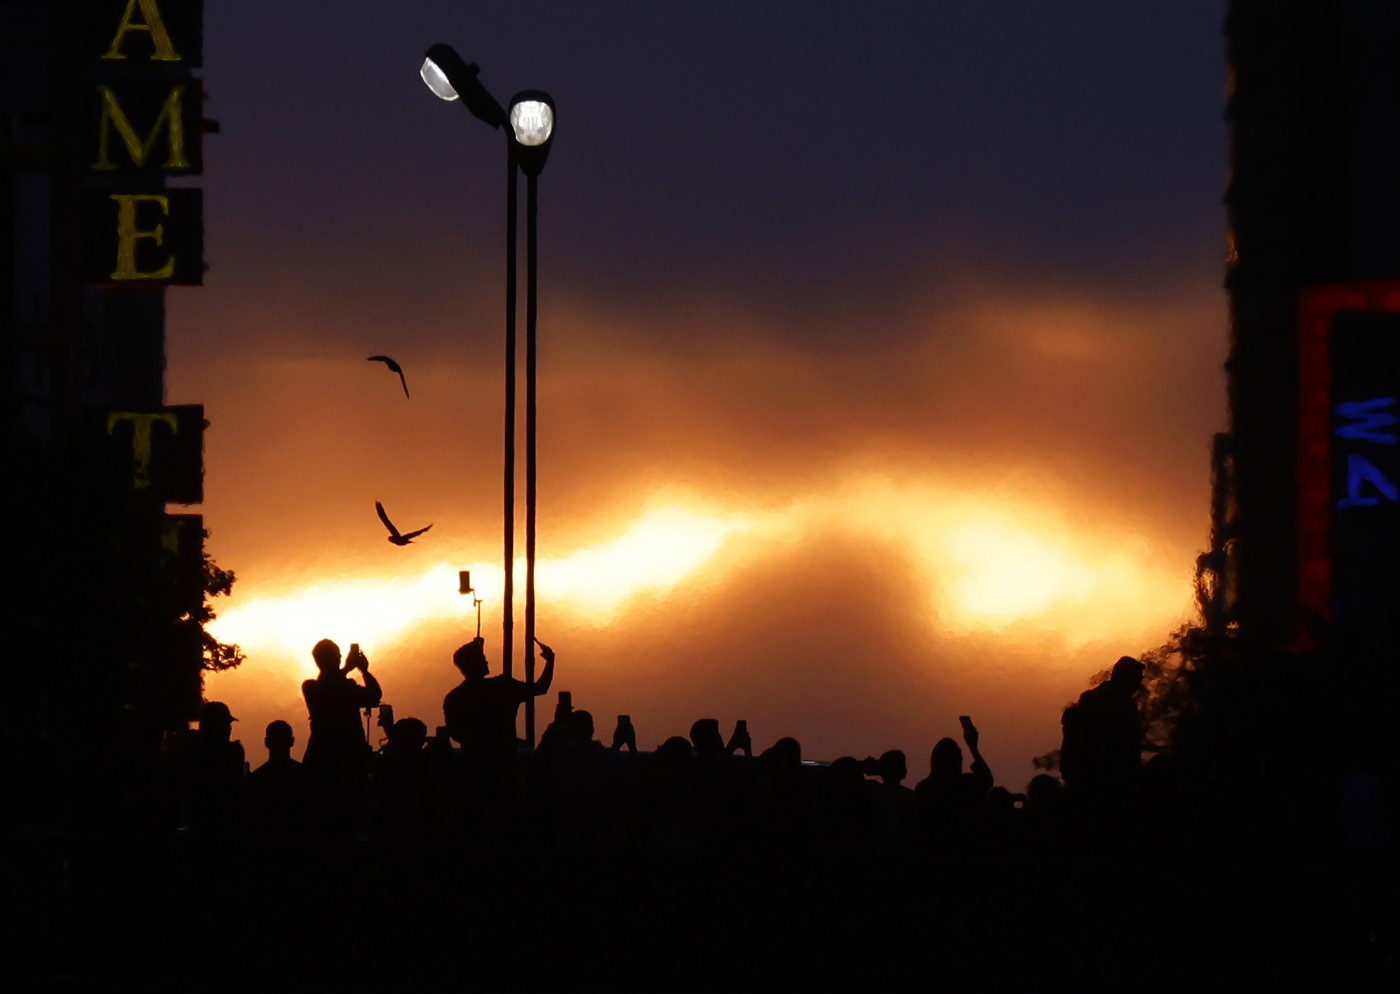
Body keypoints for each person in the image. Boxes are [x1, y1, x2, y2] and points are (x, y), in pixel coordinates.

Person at [442, 636, 555, 761]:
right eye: (483, 659)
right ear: (476, 663)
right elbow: (541, 688)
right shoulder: (503, 687)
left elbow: (456, 734)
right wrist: (550, 661)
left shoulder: (454, 698)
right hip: (504, 761)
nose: (486, 662)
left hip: (473, 764)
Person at [301, 639, 382, 776]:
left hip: (323, 760)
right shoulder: (315, 687)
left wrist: (362, 670)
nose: (340, 657)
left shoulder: (313, 688)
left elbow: (374, 695)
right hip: (346, 761)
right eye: (338, 655)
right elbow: (374, 694)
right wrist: (355, 669)